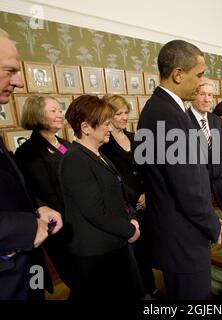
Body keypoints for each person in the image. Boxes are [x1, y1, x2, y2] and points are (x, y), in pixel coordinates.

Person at [137, 40, 222, 300]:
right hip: (183, 236)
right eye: (199, 75)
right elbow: (187, 187)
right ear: (177, 74)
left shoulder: (156, 109)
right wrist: (213, 224)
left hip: (172, 233)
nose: (201, 83)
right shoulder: (170, 116)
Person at [59, 95, 144, 300]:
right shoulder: (75, 160)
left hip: (113, 245)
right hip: (97, 254)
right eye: (106, 124)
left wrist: (132, 216)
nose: (109, 128)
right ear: (86, 127)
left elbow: (118, 193)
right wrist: (130, 229)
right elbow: (95, 212)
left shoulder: (97, 154)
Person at [0, 28, 63, 300]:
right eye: (10, 71)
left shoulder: (64, 144)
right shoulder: (30, 151)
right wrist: (27, 226)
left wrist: (37, 207)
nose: (20, 82)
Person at [99, 94, 158, 299]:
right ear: (108, 115)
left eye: (126, 112)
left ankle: (152, 289)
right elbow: (112, 178)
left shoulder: (135, 138)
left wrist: (147, 193)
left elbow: (149, 169)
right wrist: (134, 198)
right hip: (124, 205)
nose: (124, 117)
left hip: (146, 201)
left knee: (147, 247)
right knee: (134, 253)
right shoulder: (103, 144)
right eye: (119, 113)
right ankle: (142, 294)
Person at [15, 95, 73, 289]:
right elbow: (46, 194)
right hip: (61, 227)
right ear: (38, 115)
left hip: (81, 222)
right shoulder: (28, 152)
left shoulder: (66, 144)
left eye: (60, 110)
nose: (60, 114)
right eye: (53, 111)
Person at [186, 78, 222, 216]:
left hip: (219, 190)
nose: (207, 99)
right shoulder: (183, 121)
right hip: (197, 193)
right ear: (193, 95)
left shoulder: (216, 120)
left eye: (210, 95)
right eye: (202, 94)